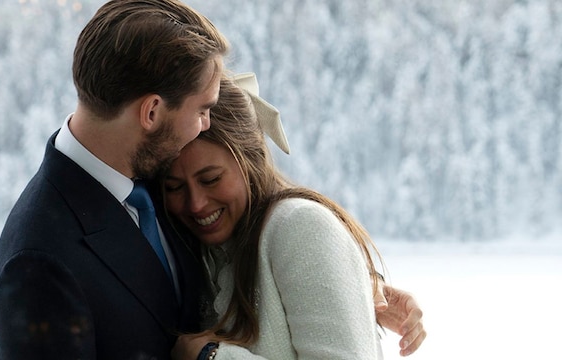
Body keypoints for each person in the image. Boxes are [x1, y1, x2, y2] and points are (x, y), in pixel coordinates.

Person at [0, 1, 228, 359]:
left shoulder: (158, 176)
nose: (207, 125)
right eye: (202, 110)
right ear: (151, 112)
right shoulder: (38, 265)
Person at [161, 74, 426, 359]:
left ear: (249, 158)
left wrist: (212, 356)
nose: (195, 204)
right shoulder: (200, 245)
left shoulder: (301, 228)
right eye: (173, 187)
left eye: (211, 179)